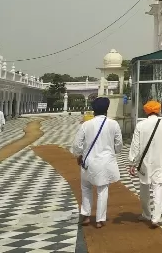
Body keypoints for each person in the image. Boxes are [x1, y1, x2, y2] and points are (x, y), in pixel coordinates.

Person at [71, 97, 123, 229]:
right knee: (102, 190)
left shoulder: (86, 124)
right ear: (106, 110)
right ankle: (100, 219)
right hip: (105, 162)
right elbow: (119, 145)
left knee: (86, 188)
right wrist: (113, 151)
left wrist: (78, 155)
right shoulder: (113, 124)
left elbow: (77, 144)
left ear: (93, 111)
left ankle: (86, 215)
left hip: (88, 162)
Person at [129, 100, 162, 228]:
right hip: (160, 160)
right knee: (158, 187)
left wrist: (132, 162)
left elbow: (135, 146)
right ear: (158, 110)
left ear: (146, 111)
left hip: (145, 162)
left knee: (144, 187)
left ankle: (146, 214)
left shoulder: (140, 125)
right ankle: (156, 218)